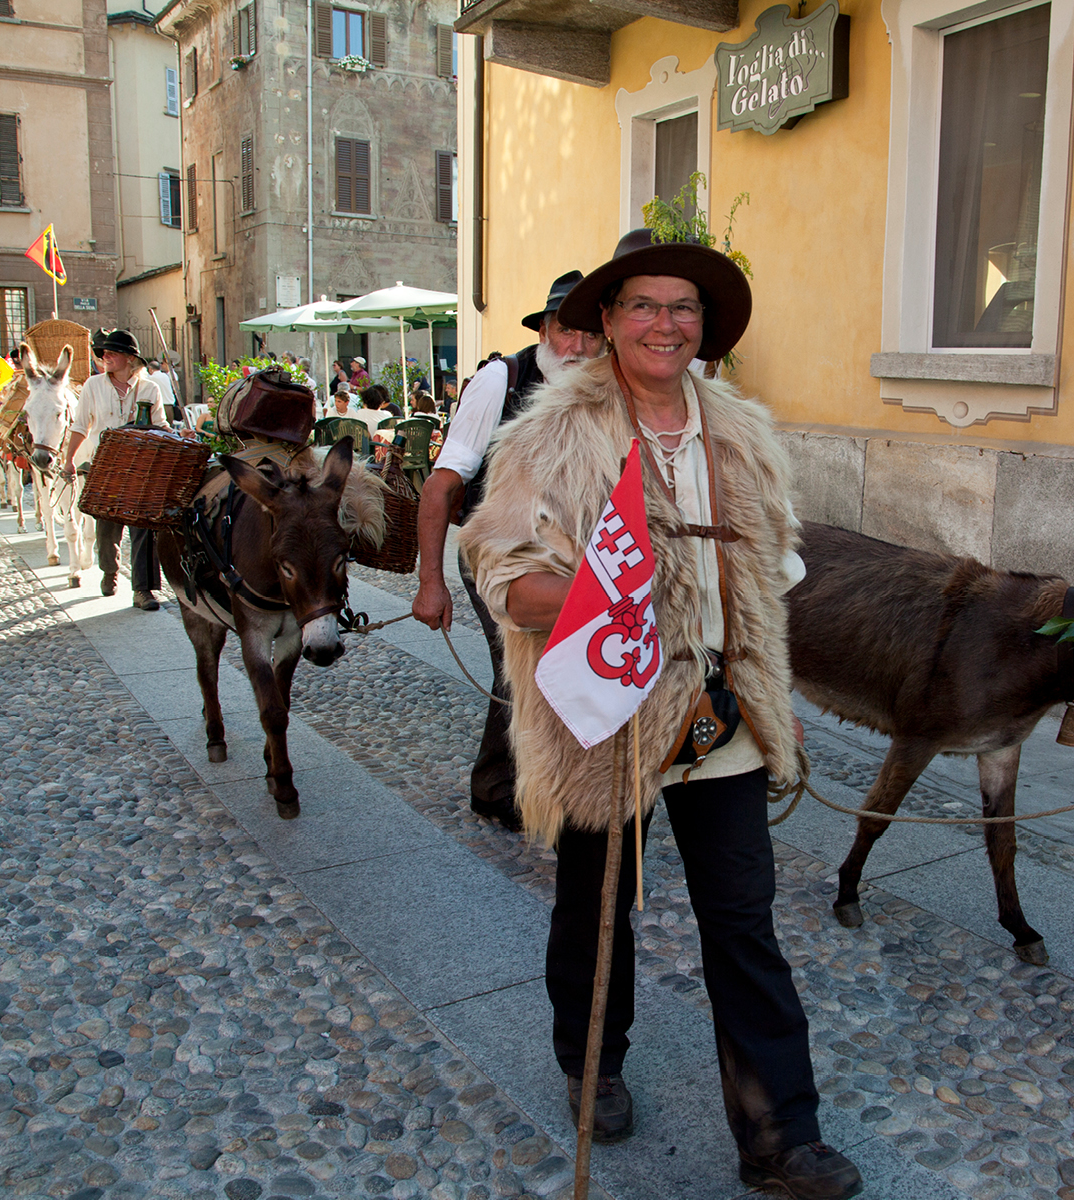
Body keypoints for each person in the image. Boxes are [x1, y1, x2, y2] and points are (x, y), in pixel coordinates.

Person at [458, 232, 862, 1200]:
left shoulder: (742, 435)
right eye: (643, 304)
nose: (664, 324)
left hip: (719, 715)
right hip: (611, 714)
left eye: (682, 308)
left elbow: (770, 578)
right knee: (596, 908)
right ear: (607, 320)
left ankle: (780, 1136)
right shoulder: (550, 436)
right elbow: (500, 572)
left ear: (704, 328)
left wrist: (775, 698)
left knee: (744, 922)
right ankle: (591, 1063)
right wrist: (598, 593)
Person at [412, 270, 605, 832]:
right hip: (495, 555)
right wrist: (431, 581)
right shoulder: (503, 379)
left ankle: (513, 781)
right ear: (544, 330)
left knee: (552, 665)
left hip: (566, 558)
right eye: (565, 331)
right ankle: (516, 789)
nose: (577, 347)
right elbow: (442, 484)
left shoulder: (602, 388)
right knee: (522, 665)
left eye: (591, 335)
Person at [65, 329, 169, 610]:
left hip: (140, 468)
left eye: (111, 353)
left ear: (129, 358)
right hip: (104, 465)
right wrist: (68, 460)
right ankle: (110, 570)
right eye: (103, 353)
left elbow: (160, 426)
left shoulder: (149, 389)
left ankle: (143, 590)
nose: (104, 357)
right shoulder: (92, 385)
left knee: (144, 528)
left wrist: (175, 434)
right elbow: (79, 426)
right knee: (107, 526)